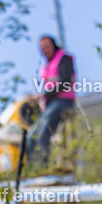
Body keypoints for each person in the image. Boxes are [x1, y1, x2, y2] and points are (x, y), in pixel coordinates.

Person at [25, 34, 76, 165]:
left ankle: (42, 167)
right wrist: (42, 100)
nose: (45, 50)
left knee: (42, 134)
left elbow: (65, 81)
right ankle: (34, 168)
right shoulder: (46, 65)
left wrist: (44, 95)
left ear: (54, 45)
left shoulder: (64, 59)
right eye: (42, 48)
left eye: (47, 46)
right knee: (31, 136)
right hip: (50, 104)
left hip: (63, 101)